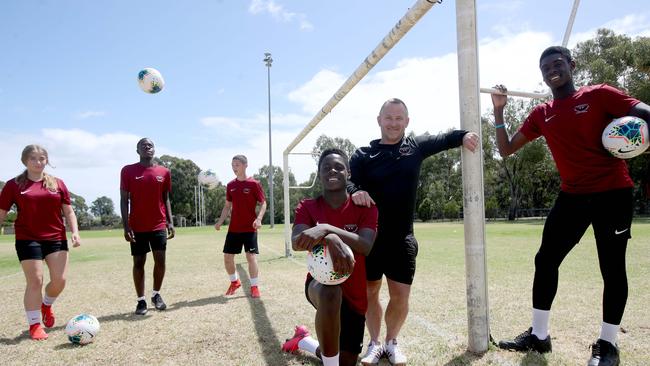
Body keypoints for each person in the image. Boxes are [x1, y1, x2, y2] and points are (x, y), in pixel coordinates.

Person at [490, 46, 650, 366]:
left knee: (612, 267)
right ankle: (539, 335)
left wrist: (640, 140)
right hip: (572, 196)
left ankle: (607, 345)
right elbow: (506, 149)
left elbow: (645, 112)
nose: (552, 69)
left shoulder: (600, 95)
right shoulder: (541, 113)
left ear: (571, 65)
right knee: (545, 260)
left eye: (558, 63)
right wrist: (498, 111)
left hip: (612, 193)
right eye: (545, 66)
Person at [348, 98, 479, 365]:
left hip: (402, 238)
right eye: (389, 118)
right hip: (369, 238)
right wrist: (355, 191)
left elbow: (444, 138)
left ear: (407, 122)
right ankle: (374, 344)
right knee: (371, 292)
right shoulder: (362, 155)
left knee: (400, 295)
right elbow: (348, 181)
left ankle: (392, 342)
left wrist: (465, 135)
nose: (393, 123)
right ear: (379, 120)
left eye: (399, 118)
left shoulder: (415, 147)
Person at [281, 148, 378, 366]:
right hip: (318, 285)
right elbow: (297, 241)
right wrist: (329, 239)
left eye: (338, 167)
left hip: (354, 293)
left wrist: (326, 230)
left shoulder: (365, 207)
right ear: (319, 174)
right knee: (330, 291)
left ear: (349, 173)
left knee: (347, 361)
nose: (332, 170)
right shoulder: (308, 206)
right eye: (326, 168)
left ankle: (303, 341)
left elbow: (365, 245)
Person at [0, 144, 81, 340]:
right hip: (28, 239)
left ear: (47, 161)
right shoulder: (13, 185)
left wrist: (75, 232)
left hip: (56, 238)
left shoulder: (58, 183)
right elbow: (1, 213)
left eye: (42, 158)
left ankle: (46, 304)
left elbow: (68, 211)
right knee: (35, 280)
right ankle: (35, 325)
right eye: (33, 158)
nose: (38, 162)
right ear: (25, 161)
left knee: (60, 281)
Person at [120, 137, 175, 315]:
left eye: (150, 145)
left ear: (154, 149)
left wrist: (170, 221)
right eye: (143, 146)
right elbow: (124, 199)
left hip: (158, 224)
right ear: (138, 151)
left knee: (160, 261)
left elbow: (165, 198)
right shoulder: (128, 171)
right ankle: (141, 301)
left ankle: (156, 295)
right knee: (139, 262)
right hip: (137, 225)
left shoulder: (164, 172)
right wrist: (126, 226)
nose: (147, 147)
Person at [215, 155, 267, 298]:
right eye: (232, 165)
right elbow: (227, 206)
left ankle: (254, 286)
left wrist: (259, 218)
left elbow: (263, 203)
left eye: (237, 164)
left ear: (245, 165)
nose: (234, 167)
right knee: (227, 257)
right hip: (234, 229)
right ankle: (234, 282)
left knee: (250, 257)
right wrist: (220, 221)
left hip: (250, 228)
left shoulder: (254, 184)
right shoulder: (230, 185)